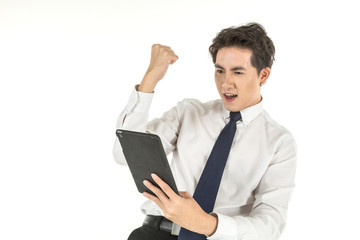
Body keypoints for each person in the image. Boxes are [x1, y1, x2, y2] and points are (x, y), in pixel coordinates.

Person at [113, 22, 297, 240]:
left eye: (238, 72)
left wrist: (205, 224)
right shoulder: (188, 112)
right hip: (156, 234)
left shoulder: (279, 142)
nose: (226, 83)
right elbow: (124, 154)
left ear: (263, 76)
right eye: (220, 70)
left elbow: (270, 225)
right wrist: (150, 79)